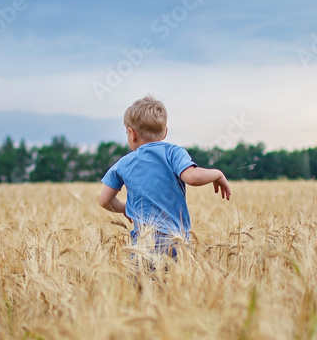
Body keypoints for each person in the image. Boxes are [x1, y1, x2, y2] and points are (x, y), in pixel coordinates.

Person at [97, 95, 231, 258]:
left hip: (142, 244)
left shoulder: (124, 163)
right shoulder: (174, 153)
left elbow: (105, 200)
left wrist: (126, 208)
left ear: (132, 134)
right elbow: (193, 177)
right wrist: (217, 173)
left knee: (140, 283)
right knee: (175, 283)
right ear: (165, 131)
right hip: (176, 242)